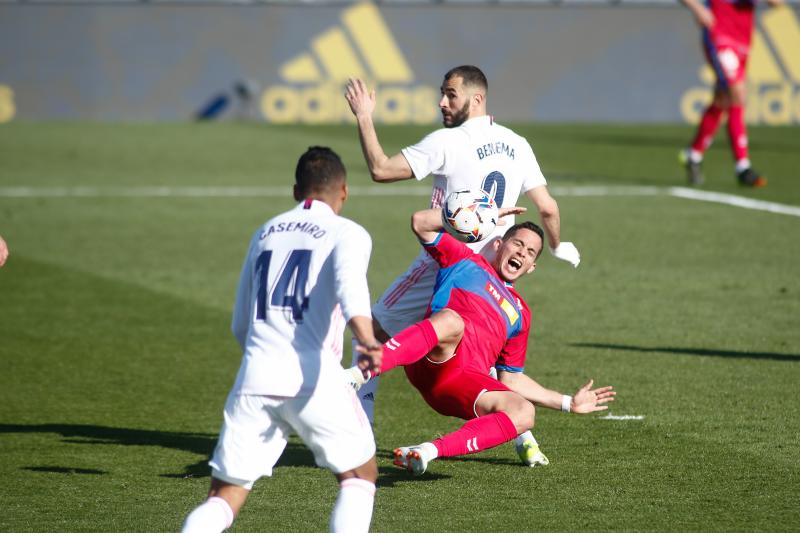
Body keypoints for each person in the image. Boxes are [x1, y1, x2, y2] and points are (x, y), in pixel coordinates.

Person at [344, 65, 580, 466]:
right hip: (496, 271)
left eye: (450, 94)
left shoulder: (449, 142)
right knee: (481, 352)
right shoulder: (517, 143)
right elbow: (548, 208)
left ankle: (359, 432)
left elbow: (381, 170)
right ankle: (523, 436)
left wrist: (365, 116)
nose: (442, 102)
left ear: (476, 98)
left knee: (375, 330)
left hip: (448, 258)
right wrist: (557, 247)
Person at [181, 147, 382, 533]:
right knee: (359, 475)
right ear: (344, 191)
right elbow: (350, 286)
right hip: (313, 375)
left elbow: (241, 323)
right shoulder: (348, 232)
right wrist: (367, 340)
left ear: (296, 191)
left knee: (224, 496)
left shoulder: (265, 231)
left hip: (255, 376)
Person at [348, 206, 614, 476]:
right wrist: (474, 216)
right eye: (518, 244)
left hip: (465, 386)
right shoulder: (466, 260)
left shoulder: (521, 313)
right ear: (499, 244)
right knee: (452, 321)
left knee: (524, 412)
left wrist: (568, 402)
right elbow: (420, 222)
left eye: (530, 252)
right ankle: (359, 373)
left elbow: (511, 380)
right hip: (434, 360)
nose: (522, 252)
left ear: (531, 268)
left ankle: (427, 451)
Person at [679, 0, 783, 187]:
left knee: (723, 99)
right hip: (719, 33)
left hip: (743, 37)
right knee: (738, 93)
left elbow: (777, 3)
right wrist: (698, 8)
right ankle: (743, 166)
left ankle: (693, 154)